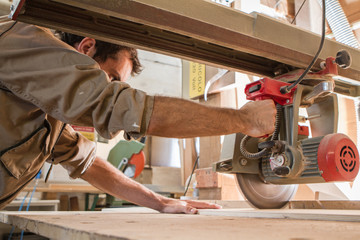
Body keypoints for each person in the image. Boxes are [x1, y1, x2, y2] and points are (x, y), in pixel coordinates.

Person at [0, 16, 276, 213]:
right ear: (86, 48)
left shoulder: (47, 111)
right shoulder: (22, 40)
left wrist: (159, 202)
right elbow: (114, 106)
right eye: (110, 78)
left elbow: (87, 163)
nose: (107, 87)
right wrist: (245, 120)